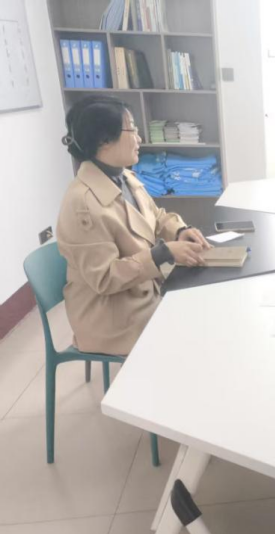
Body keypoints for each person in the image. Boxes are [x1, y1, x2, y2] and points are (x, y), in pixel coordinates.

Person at [56, 96, 211, 356]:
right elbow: (105, 278)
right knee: (195, 333)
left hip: (141, 295)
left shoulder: (123, 176)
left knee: (203, 309)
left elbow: (155, 216)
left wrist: (179, 231)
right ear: (104, 140)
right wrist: (162, 253)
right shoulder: (81, 204)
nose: (139, 138)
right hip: (112, 318)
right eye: (132, 130)